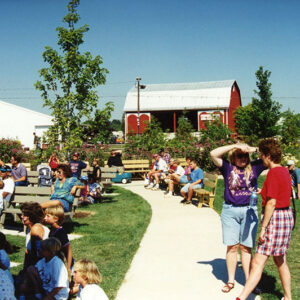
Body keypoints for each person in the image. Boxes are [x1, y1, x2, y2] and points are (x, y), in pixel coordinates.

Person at [236, 138, 294, 300]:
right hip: (286, 216)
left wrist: (263, 228)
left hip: (275, 218)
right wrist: (264, 191)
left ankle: (242, 297)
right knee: (280, 260)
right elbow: (279, 193)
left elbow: (272, 202)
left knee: (257, 262)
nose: (260, 158)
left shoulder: (274, 172)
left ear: (268, 155)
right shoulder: (283, 170)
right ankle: (288, 297)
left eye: (262, 155)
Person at [210, 143, 266, 293]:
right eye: (239, 155)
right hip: (230, 211)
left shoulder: (255, 167)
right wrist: (235, 145)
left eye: (245, 156)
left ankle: (249, 282)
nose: (243, 158)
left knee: (246, 248)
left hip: (249, 210)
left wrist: (252, 149)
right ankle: (230, 280)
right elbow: (213, 153)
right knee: (232, 247)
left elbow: (270, 153)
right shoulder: (227, 167)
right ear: (233, 157)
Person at [44, 205, 74, 274]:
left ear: (56, 219)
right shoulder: (52, 230)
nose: (45, 218)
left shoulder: (61, 232)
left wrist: (68, 268)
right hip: (57, 261)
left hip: (65, 262)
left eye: (47, 216)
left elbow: (68, 250)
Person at [20, 202, 50, 270]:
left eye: (24, 215)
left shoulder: (35, 229)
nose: (21, 216)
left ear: (31, 217)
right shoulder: (29, 228)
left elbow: (36, 254)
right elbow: (27, 251)